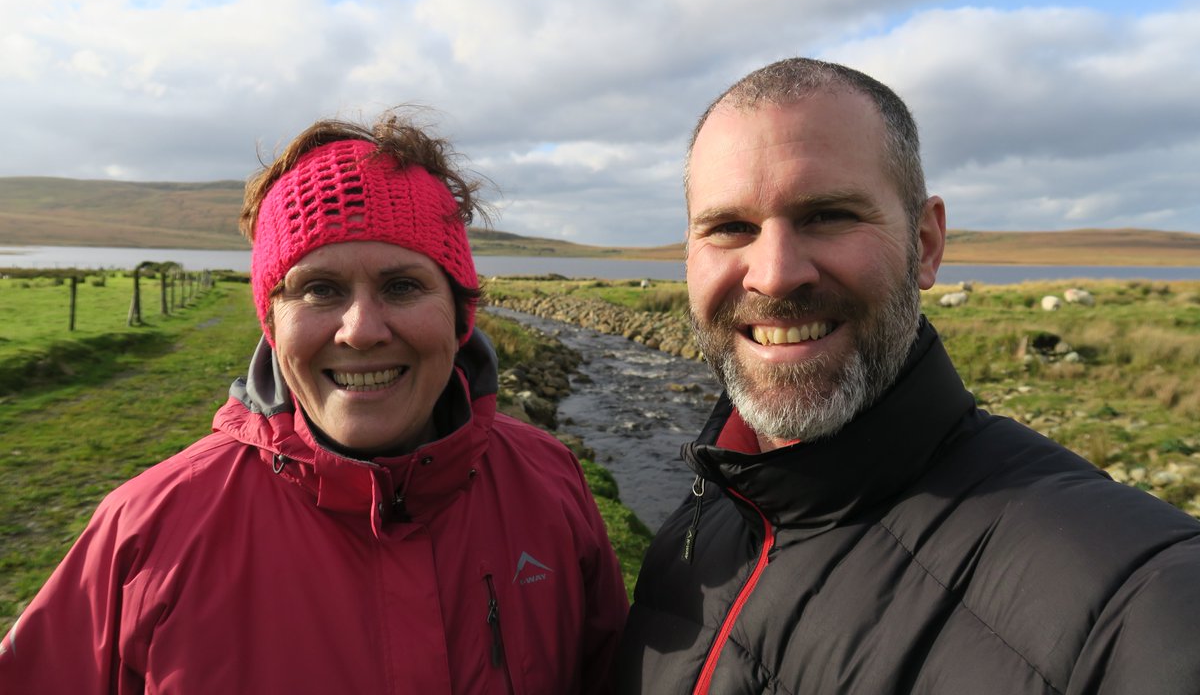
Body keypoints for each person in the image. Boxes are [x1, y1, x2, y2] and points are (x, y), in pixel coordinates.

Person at [614, 58, 1200, 693]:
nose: (775, 275)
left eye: (828, 215)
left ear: (925, 243)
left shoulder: (1136, 595)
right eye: (730, 228)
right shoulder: (703, 518)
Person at [1, 111, 627, 693]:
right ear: (272, 324)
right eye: (320, 289)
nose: (361, 330)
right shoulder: (147, 532)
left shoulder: (550, 485)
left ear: (461, 315)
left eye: (402, 286)